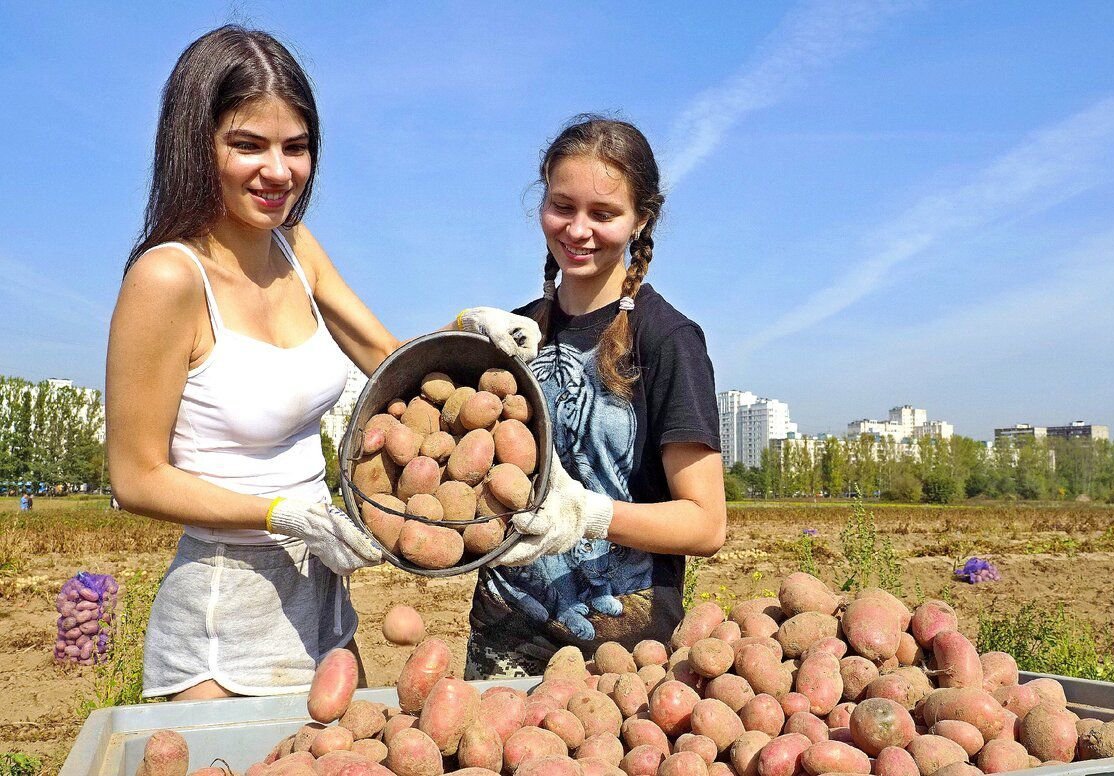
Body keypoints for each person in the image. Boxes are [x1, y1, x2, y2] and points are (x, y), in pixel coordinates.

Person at [105, 25, 538, 701]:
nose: (278, 170)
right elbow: (136, 478)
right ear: (197, 144)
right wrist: (280, 512)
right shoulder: (169, 279)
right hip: (225, 608)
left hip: (323, 592)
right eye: (248, 144)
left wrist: (466, 329)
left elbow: (387, 358)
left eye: (296, 147)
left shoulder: (294, 248)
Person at [465, 116, 727, 678]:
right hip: (502, 639)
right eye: (563, 206)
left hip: (620, 660)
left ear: (641, 219)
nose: (577, 230)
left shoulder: (667, 340)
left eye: (603, 214)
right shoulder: (513, 333)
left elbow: (705, 524)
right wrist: (458, 332)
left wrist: (589, 514)